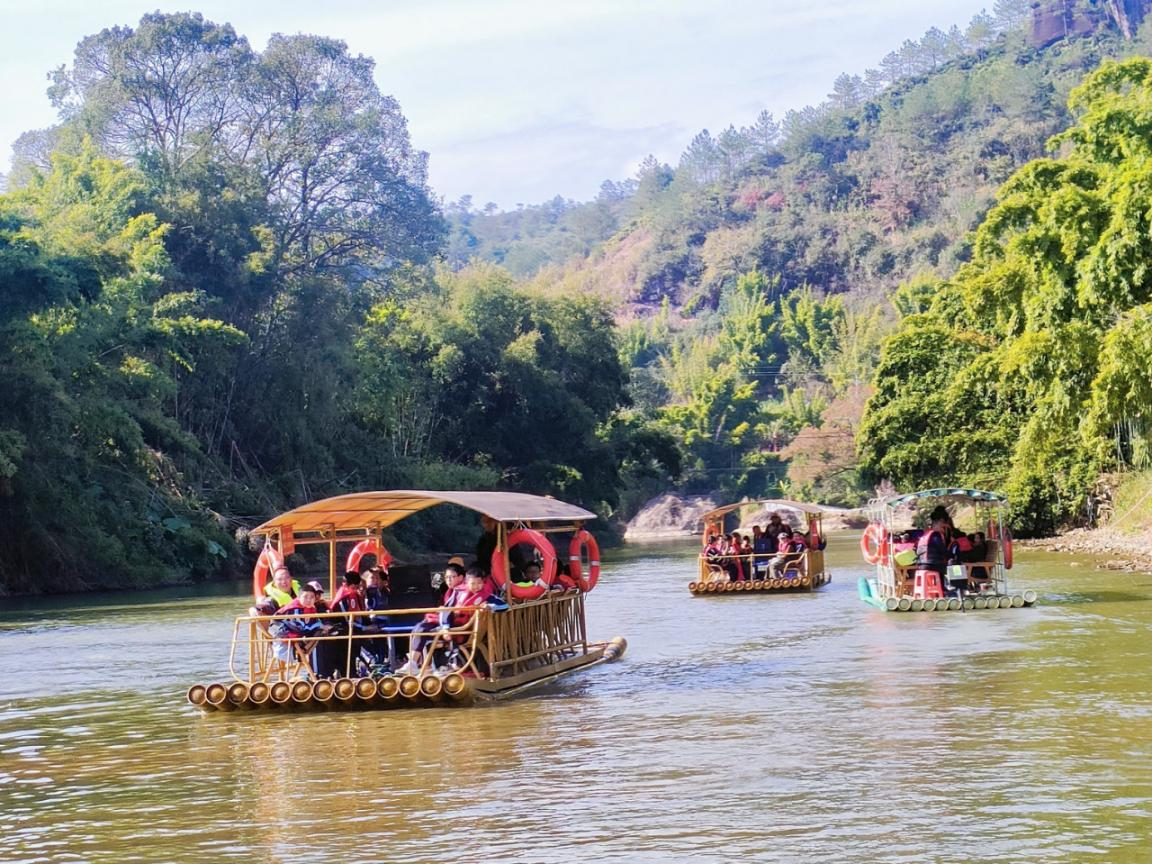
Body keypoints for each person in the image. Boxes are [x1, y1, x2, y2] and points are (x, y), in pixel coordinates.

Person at [270, 584, 332, 677]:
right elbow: (300, 627)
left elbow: (313, 623)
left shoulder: (311, 609)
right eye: (305, 597)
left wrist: (323, 627)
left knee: (324, 635)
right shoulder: (294, 609)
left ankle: (324, 672)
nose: (309, 600)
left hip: (298, 638)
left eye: (312, 597)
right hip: (284, 640)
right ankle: (315, 673)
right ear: (299, 597)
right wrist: (320, 627)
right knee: (318, 635)